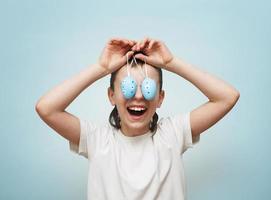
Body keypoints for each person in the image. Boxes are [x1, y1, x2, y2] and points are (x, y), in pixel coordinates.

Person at [35, 37, 240, 200]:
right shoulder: (97, 140)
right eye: (128, 87)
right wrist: (102, 68)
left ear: (160, 98)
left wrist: (172, 63)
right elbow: (47, 108)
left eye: (148, 88)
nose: (139, 96)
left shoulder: (172, 134)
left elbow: (227, 97)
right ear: (111, 96)